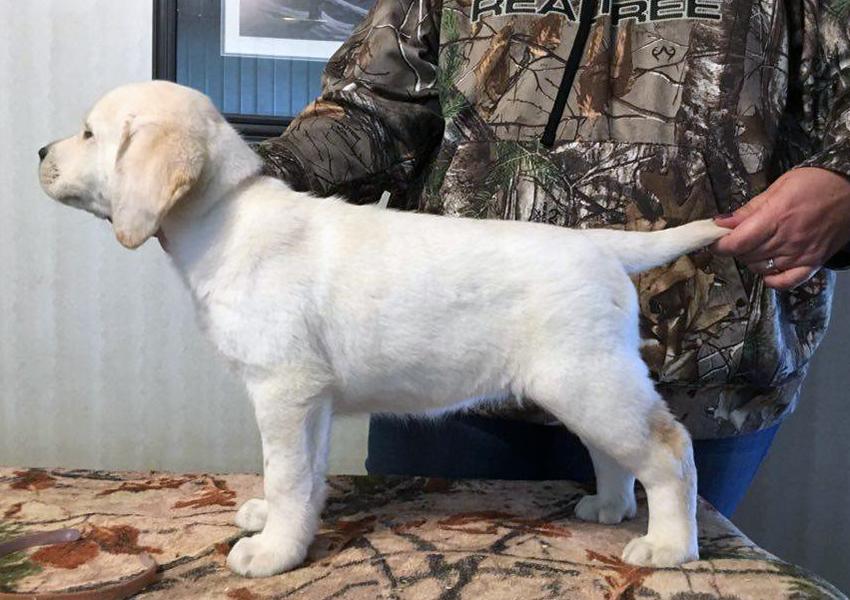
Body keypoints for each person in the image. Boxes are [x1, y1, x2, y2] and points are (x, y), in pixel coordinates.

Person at [257, 0, 850, 517]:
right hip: (446, 366)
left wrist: (845, 184)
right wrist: (233, 192)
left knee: (660, 574)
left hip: (701, 372)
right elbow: (369, 110)